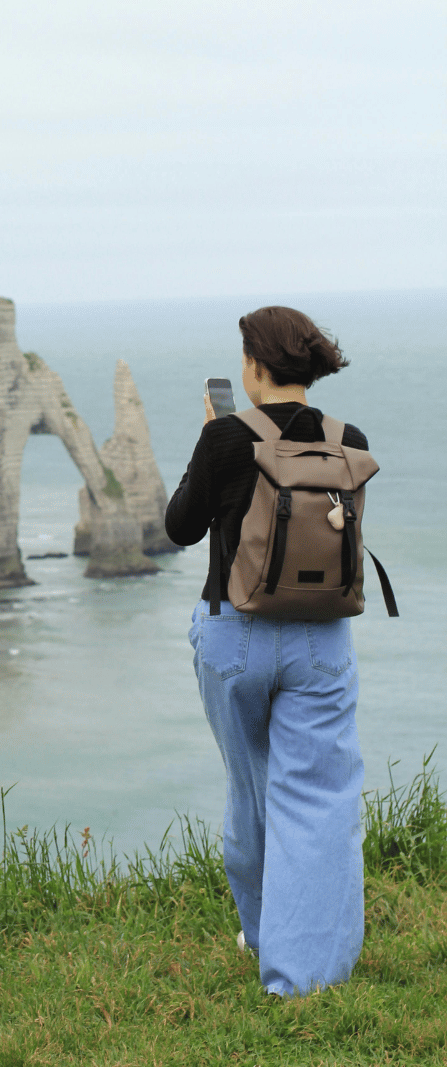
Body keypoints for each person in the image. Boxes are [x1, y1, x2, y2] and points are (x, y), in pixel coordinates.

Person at [165, 306, 368, 997]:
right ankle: (304, 973)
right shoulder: (349, 439)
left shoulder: (225, 436)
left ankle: (260, 935)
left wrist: (207, 447)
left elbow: (180, 528)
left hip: (233, 636)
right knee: (318, 798)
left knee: (252, 792)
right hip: (322, 639)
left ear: (253, 367)